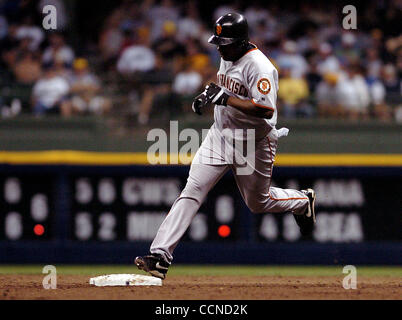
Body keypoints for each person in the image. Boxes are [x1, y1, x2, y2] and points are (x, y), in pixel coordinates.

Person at [135, 13, 316, 279]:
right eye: (218, 42)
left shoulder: (260, 67)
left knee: (258, 202)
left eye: (225, 42)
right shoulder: (227, 54)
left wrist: (225, 99)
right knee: (193, 188)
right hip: (220, 137)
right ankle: (160, 256)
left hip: (253, 143)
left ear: (242, 42)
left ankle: (302, 201)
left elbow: (265, 109)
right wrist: (208, 94)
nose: (219, 47)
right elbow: (226, 87)